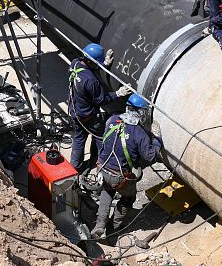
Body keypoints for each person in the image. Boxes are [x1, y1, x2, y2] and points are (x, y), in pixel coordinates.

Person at [91, 94, 163, 238]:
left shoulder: (112, 120)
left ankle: (99, 224)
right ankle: (114, 227)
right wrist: (156, 140)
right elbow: (150, 156)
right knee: (128, 197)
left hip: (103, 169)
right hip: (119, 177)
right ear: (140, 112)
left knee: (107, 190)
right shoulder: (139, 133)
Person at [68, 43, 130, 171]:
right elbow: (102, 100)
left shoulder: (75, 63)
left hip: (75, 111)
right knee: (102, 137)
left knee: (79, 139)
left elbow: (88, 68)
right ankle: (102, 163)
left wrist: (103, 64)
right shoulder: (91, 81)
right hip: (88, 116)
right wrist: (118, 93)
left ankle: (75, 168)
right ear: (93, 61)